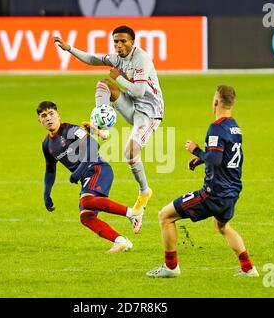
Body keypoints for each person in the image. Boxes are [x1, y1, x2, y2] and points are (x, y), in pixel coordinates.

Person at [54, 25, 164, 225]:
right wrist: (69, 48)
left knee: (130, 153)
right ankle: (100, 126)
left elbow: (139, 91)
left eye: (123, 41)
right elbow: (93, 59)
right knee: (103, 84)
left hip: (149, 113)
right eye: (116, 42)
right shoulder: (117, 58)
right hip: (131, 105)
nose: (119, 45)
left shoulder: (142, 59)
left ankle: (144, 191)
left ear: (132, 42)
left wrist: (118, 76)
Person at [146, 86, 259, 278]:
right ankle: (249, 268)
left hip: (213, 194)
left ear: (216, 102)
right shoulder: (235, 127)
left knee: (165, 216)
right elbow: (224, 155)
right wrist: (201, 160)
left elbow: (214, 159)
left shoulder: (216, 127)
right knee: (222, 226)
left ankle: (171, 267)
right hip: (232, 192)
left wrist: (196, 150)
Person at [37, 101, 144, 253]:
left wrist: (79, 171)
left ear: (58, 115)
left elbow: (94, 147)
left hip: (98, 168)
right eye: (44, 116)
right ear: (40, 121)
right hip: (86, 175)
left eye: (51, 114)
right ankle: (121, 241)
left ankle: (133, 212)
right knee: (86, 216)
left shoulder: (71, 130)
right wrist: (46, 194)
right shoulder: (46, 144)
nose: (48, 118)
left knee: (86, 201)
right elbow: (50, 170)